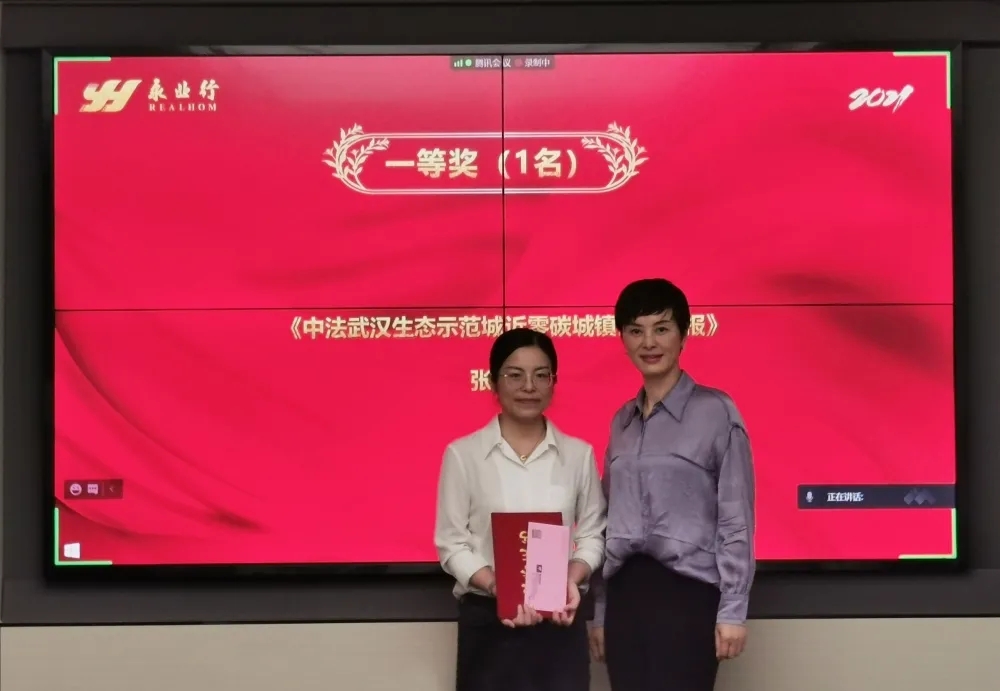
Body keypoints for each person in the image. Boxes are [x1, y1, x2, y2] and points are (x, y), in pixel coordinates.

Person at [588, 278, 756, 691]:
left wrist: (733, 609)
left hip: (689, 594)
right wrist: (601, 612)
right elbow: (607, 519)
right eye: (636, 330)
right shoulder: (622, 421)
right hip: (626, 595)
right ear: (622, 338)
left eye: (661, 328)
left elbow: (735, 517)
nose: (649, 342)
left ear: (684, 333)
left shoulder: (716, 411)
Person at [435, 327, 607, 691]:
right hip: (489, 622)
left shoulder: (579, 455)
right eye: (515, 375)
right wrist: (498, 585)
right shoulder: (463, 455)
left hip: (560, 618)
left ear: (553, 383)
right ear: (493, 383)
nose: (529, 386)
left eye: (541, 375)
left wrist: (571, 578)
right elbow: (451, 543)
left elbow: (594, 535)